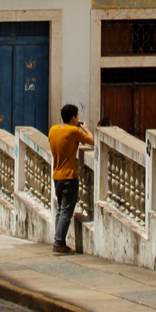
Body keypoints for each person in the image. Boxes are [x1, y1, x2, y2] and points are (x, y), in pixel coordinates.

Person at [48, 104, 93, 256]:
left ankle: (58, 241)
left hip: (57, 176)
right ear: (73, 117)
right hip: (69, 176)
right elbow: (92, 141)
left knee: (60, 211)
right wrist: (85, 129)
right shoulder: (74, 131)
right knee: (66, 211)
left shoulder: (53, 130)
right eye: (77, 117)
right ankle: (59, 243)